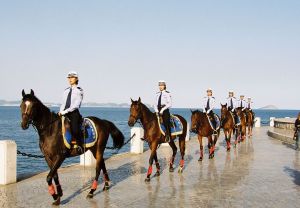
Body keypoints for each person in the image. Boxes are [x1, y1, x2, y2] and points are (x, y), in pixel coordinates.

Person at [58, 71, 84, 153]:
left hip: (73, 113)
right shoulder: (66, 90)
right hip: (63, 112)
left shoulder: (79, 90)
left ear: (76, 79)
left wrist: (64, 112)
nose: (70, 79)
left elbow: (76, 105)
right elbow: (63, 103)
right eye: (69, 77)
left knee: (75, 129)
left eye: (72, 77)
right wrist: (60, 111)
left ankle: (80, 145)